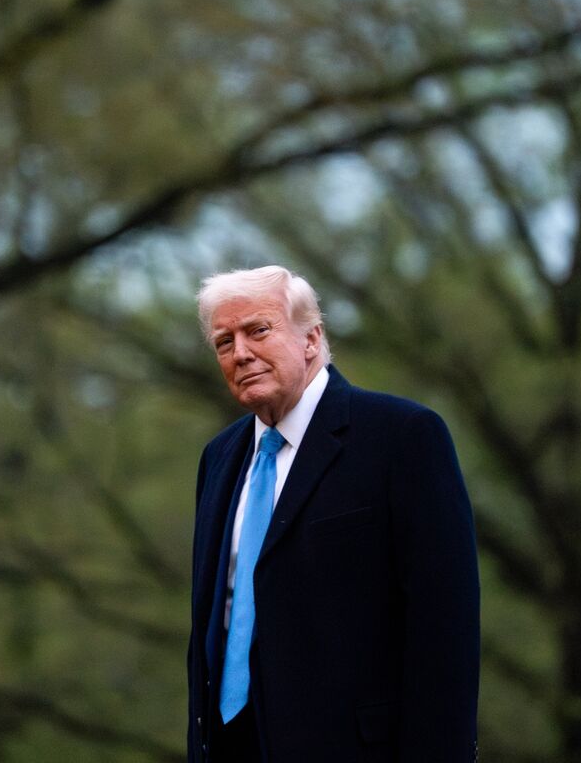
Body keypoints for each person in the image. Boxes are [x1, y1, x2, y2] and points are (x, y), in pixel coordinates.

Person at [188, 265, 479, 763]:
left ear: (311, 338)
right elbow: (211, 632)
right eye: (224, 341)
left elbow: (444, 628)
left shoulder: (402, 437)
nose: (241, 353)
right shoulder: (219, 457)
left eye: (258, 330)